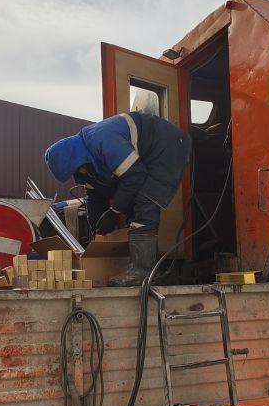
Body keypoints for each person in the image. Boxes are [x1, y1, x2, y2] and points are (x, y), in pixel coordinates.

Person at [45, 111, 190, 286]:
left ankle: (143, 271)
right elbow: (95, 197)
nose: (80, 173)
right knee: (128, 203)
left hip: (165, 146)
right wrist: (96, 229)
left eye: (78, 169)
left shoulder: (103, 141)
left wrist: (114, 211)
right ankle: (136, 265)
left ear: (77, 157)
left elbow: (135, 175)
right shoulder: (85, 164)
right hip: (143, 159)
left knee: (144, 201)